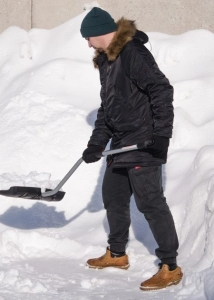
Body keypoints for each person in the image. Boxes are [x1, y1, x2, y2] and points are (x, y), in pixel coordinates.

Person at [80, 7, 183, 291]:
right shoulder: (107, 62)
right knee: (112, 197)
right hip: (121, 144)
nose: (87, 44)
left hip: (144, 141)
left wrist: (162, 134)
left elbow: (161, 89)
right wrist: (96, 143)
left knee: (150, 202)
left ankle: (170, 267)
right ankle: (117, 254)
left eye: (88, 38)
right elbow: (108, 108)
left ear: (99, 32)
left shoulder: (132, 53)